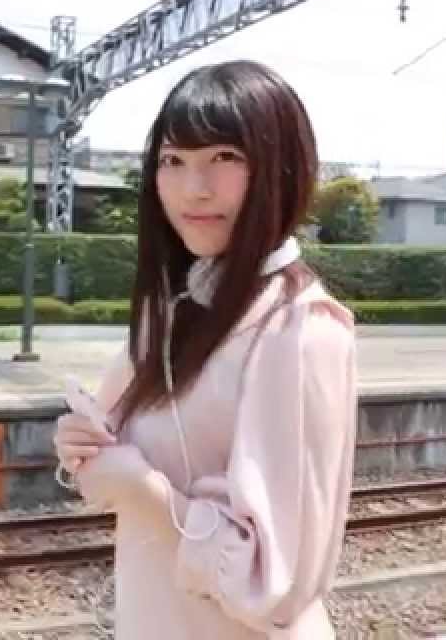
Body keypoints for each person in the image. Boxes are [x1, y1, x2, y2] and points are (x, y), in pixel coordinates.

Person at [53, 60, 357, 638]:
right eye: (173, 161)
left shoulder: (298, 331)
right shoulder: (174, 309)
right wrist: (80, 444)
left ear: (281, 169)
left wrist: (145, 494)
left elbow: (277, 587)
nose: (194, 188)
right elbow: (110, 444)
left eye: (225, 157)